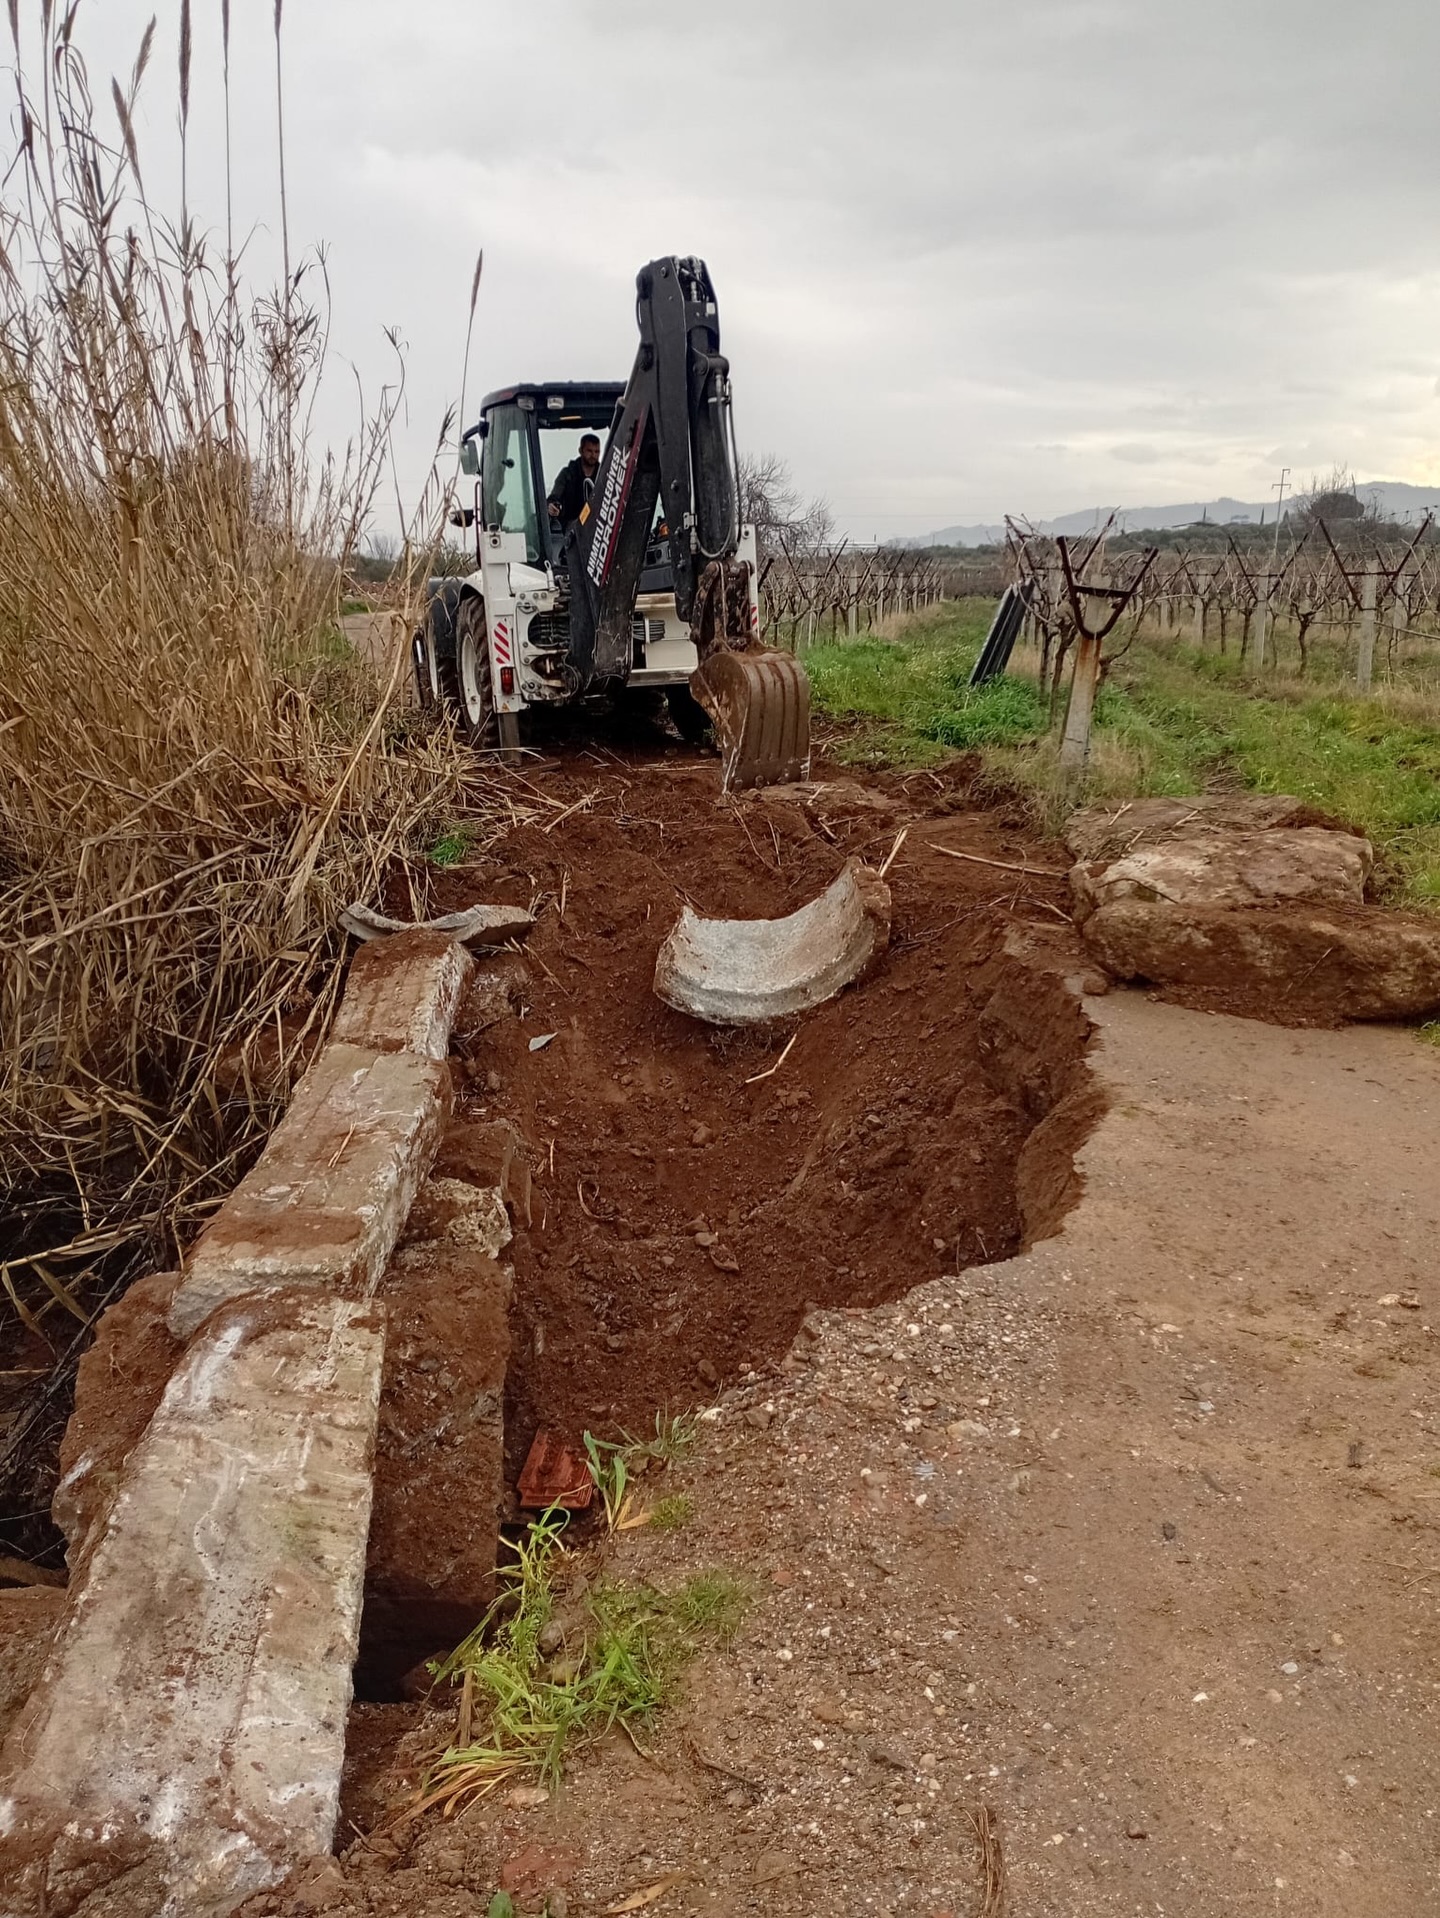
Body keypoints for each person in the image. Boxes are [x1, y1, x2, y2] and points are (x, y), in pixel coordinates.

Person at [547, 434, 601, 528]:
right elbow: (555, 496)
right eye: (589, 451)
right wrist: (551, 506)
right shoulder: (567, 474)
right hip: (571, 526)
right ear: (580, 450)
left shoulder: (604, 473)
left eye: (596, 452)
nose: (593, 455)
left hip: (598, 526)